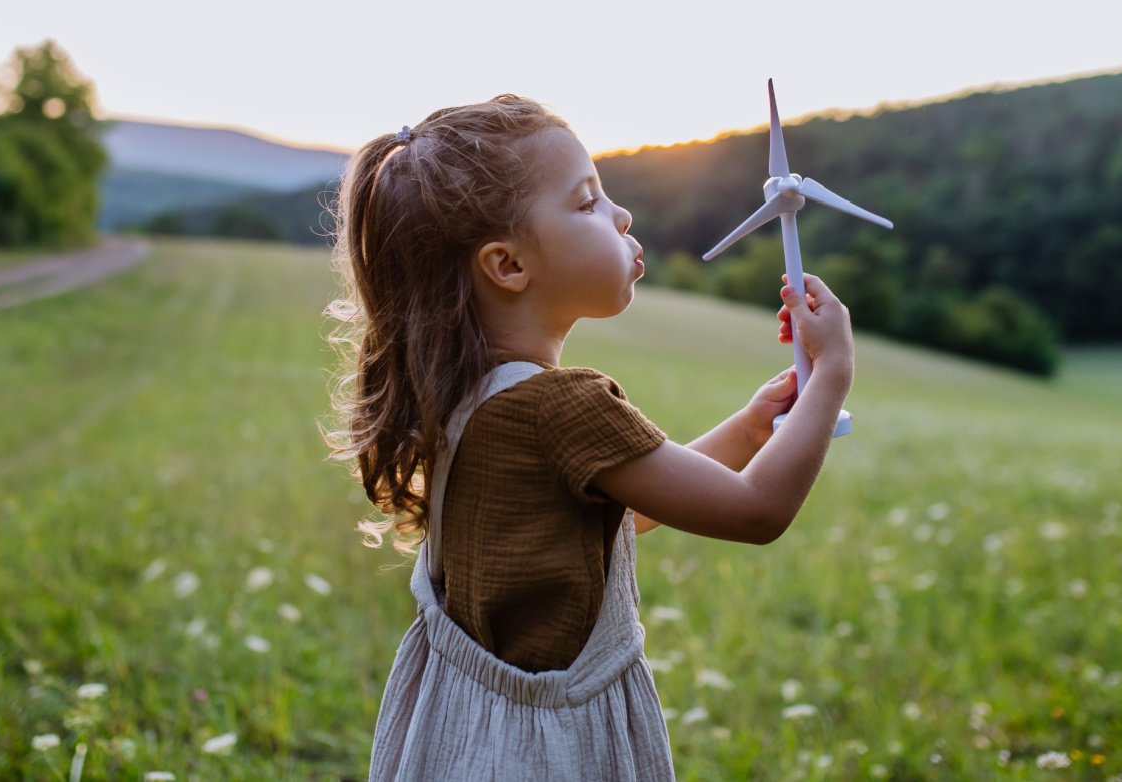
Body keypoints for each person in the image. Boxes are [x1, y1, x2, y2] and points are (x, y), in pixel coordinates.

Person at [322, 94, 854, 780]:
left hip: (466, 734)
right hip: (546, 751)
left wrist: (755, 427)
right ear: (507, 265)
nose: (621, 214)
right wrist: (833, 372)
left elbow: (617, 515)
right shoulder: (563, 406)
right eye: (587, 201)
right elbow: (755, 512)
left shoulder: (469, 394)